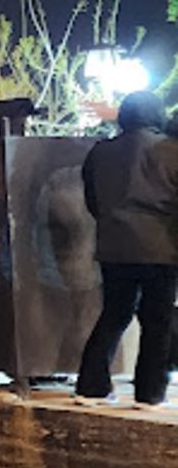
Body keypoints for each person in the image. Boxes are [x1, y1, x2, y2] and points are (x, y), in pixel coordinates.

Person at [74, 90, 178, 408]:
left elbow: (92, 200)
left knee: (115, 313)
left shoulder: (100, 152)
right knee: (156, 320)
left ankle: (91, 387)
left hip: (114, 246)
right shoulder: (172, 151)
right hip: (163, 247)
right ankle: (148, 393)